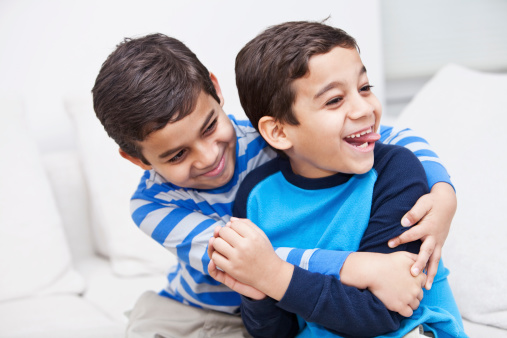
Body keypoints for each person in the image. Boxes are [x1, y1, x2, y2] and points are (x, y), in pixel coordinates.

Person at [91, 32, 458, 337]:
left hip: (284, 297)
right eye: (176, 156)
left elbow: (384, 136)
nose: (207, 157)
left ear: (216, 91)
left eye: (209, 127)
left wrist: (442, 190)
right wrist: (355, 267)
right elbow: (242, 260)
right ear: (138, 160)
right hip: (196, 304)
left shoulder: (270, 135)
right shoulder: (151, 207)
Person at [207, 21, 466, 337]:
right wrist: (257, 291)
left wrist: (274, 275)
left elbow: (383, 315)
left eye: (364, 88)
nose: (363, 109)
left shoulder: (395, 172)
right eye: (334, 100)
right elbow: (276, 332)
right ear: (278, 131)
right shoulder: (256, 195)